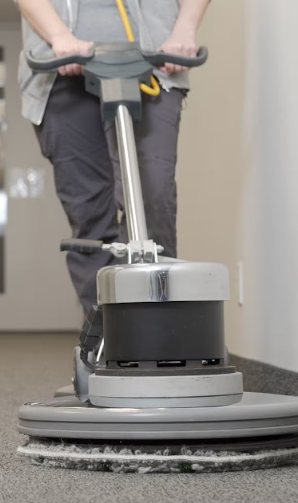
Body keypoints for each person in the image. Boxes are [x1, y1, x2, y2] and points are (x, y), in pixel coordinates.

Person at [16, 0, 211, 313]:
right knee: (90, 210)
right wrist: (59, 37)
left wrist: (185, 29)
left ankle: (161, 326)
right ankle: (107, 336)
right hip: (62, 69)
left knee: (153, 196)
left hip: (153, 65)